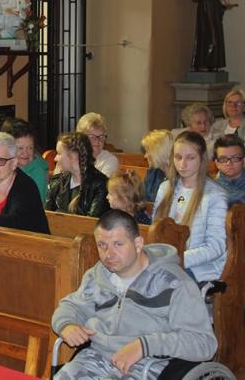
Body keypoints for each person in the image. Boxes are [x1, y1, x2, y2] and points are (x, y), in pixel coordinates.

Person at [51, 210, 217, 379]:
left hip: (146, 364)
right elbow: (72, 306)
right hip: (97, 357)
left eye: (118, 244)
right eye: (102, 245)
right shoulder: (97, 276)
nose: (108, 254)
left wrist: (144, 345)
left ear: (138, 244)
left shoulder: (174, 283)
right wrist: (66, 324)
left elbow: (204, 343)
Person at [153, 131, 227, 283]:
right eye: (178, 157)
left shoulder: (215, 195)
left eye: (190, 158)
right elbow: (156, 232)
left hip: (199, 268)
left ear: (202, 158)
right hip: (167, 263)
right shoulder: (165, 188)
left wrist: (177, 258)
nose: (182, 164)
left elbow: (216, 246)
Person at [46, 132, 108, 217]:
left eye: (59, 153)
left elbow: (92, 222)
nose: (55, 158)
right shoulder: (56, 182)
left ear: (73, 156)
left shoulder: (100, 184)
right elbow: (47, 216)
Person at [0, 118, 47, 203]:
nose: (25, 153)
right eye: (20, 148)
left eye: (30, 147)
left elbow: (36, 205)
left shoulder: (38, 172)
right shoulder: (1, 167)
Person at [212, 134, 245, 206]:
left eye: (235, 158)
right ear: (217, 164)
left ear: (244, 161)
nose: (229, 163)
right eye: (223, 159)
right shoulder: (211, 187)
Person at [76, 112, 118, 177]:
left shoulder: (110, 160)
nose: (98, 141)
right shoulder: (73, 156)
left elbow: (101, 183)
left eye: (101, 137)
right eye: (92, 137)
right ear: (81, 138)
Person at [140, 130, 173, 203]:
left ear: (159, 152)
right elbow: (145, 201)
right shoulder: (152, 172)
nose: (145, 156)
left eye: (147, 151)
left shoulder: (179, 177)